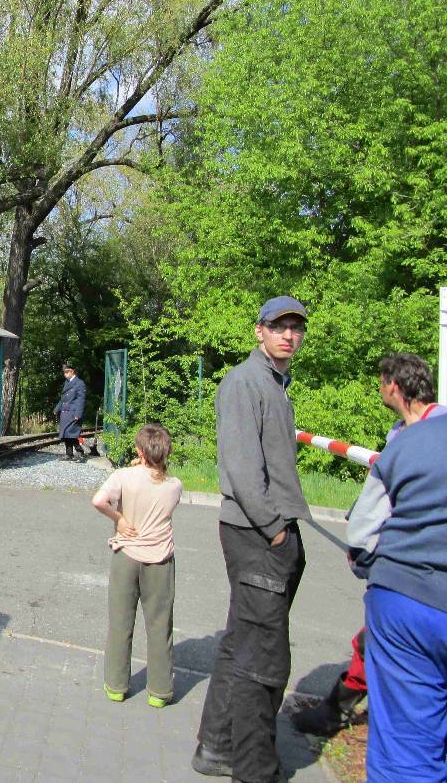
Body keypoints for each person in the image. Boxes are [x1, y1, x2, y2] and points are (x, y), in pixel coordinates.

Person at [293, 352, 445, 736]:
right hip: (406, 571)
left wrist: (364, 547)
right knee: (372, 641)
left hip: (417, 575)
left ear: (393, 385)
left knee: (392, 653)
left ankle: (347, 714)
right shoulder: (404, 431)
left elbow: (376, 512)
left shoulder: (424, 435)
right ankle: (340, 708)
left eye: (380, 382)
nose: (379, 389)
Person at [193, 296, 312, 782]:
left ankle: (217, 748)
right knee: (264, 658)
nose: (288, 335)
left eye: (296, 327)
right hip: (258, 534)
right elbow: (243, 470)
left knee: (242, 642)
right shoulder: (245, 382)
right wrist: (276, 530)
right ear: (259, 331)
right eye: (278, 326)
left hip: (265, 532)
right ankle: (254, 769)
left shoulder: (274, 384)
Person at [356, 412, 447, 779]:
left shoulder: (410, 441)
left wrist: (365, 563)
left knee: (405, 752)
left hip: (408, 600)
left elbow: (362, 532)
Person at [92, 423, 183, 708]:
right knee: (160, 625)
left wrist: (118, 519)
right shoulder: (174, 486)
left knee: (120, 622)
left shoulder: (123, 476)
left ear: (139, 451)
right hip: (160, 561)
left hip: (127, 557)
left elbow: (99, 501)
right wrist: (147, 465)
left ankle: (116, 686)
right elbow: (156, 478)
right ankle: (160, 692)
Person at [53, 362, 86, 459]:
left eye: (66, 372)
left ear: (72, 372)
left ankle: (80, 451)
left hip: (73, 412)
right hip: (65, 412)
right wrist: (57, 408)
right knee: (65, 434)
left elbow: (81, 400)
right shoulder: (67, 383)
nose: (65, 374)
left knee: (72, 434)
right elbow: (63, 399)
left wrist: (78, 414)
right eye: (64, 372)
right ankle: (69, 454)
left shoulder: (79, 383)